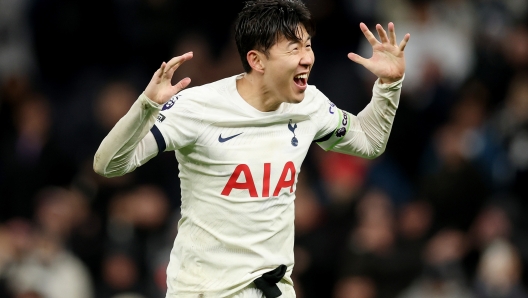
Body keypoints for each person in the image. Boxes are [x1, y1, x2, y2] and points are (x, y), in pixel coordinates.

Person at [93, 0, 410, 297]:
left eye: (308, 46)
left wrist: (389, 86)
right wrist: (146, 106)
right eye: (293, 48)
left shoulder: (310, 105)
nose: (307, 58)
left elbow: (369, 142)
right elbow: (108, 166)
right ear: (257, 60)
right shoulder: (196, 107)